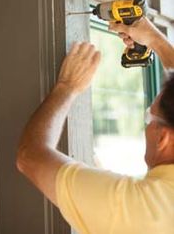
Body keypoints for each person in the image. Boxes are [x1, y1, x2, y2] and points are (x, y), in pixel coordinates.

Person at [16, 17, 174, 234]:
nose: (145, 125)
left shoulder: (140, 208)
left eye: (149, 117)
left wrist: (66, 87)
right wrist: (155, 40)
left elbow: (30, 157)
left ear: (163, 138)